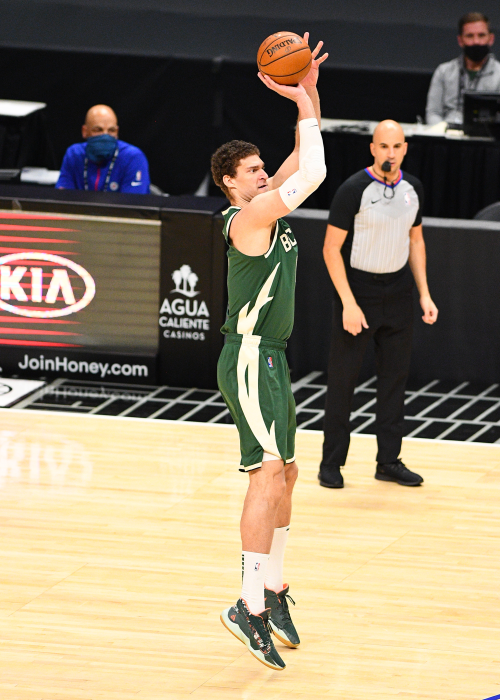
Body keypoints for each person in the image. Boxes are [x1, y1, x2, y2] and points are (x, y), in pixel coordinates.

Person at [210, 35, 327, 671]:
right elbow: (312, 174)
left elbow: (300, 159)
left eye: (263, 168)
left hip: (273, 358)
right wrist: (301, 106)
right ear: (230, 184)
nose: (263, 174)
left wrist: (307, 92)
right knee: (266, 474)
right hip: (251, 355)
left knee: (289, 474)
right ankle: (248, 604)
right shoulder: (249, 220)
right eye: (252, 171)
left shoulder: (262, 207)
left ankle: (274, 589)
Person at [319, 120, 438, 490]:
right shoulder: (354, 189)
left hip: (399, 291)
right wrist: (348, 303)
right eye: (384, 146)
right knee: (343, 381)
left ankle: (388, 461)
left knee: (394, 381)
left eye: (397, 146)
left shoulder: (413, 188)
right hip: (359, 291)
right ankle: (331, 463)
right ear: (372, 148)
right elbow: (330, 249)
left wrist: (424, 293)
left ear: (405, 149)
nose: (391, 153)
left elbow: (416, 241)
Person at [426, 12, 500, 126]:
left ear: (491, 39)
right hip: (448, 133)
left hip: (487, 134)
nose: (476, 41)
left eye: (481, 35)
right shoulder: (443, 72)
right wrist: (441, 131)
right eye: (470, 36)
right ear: (460, 40)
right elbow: (433, 113)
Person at [56, 104, 150, 193]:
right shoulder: (74, 154)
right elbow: (63, 196)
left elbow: (132, 202)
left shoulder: (133, 157)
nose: (105, 136)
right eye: (98, 130)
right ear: (85, 131)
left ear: (117, 132)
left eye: (111, 130)